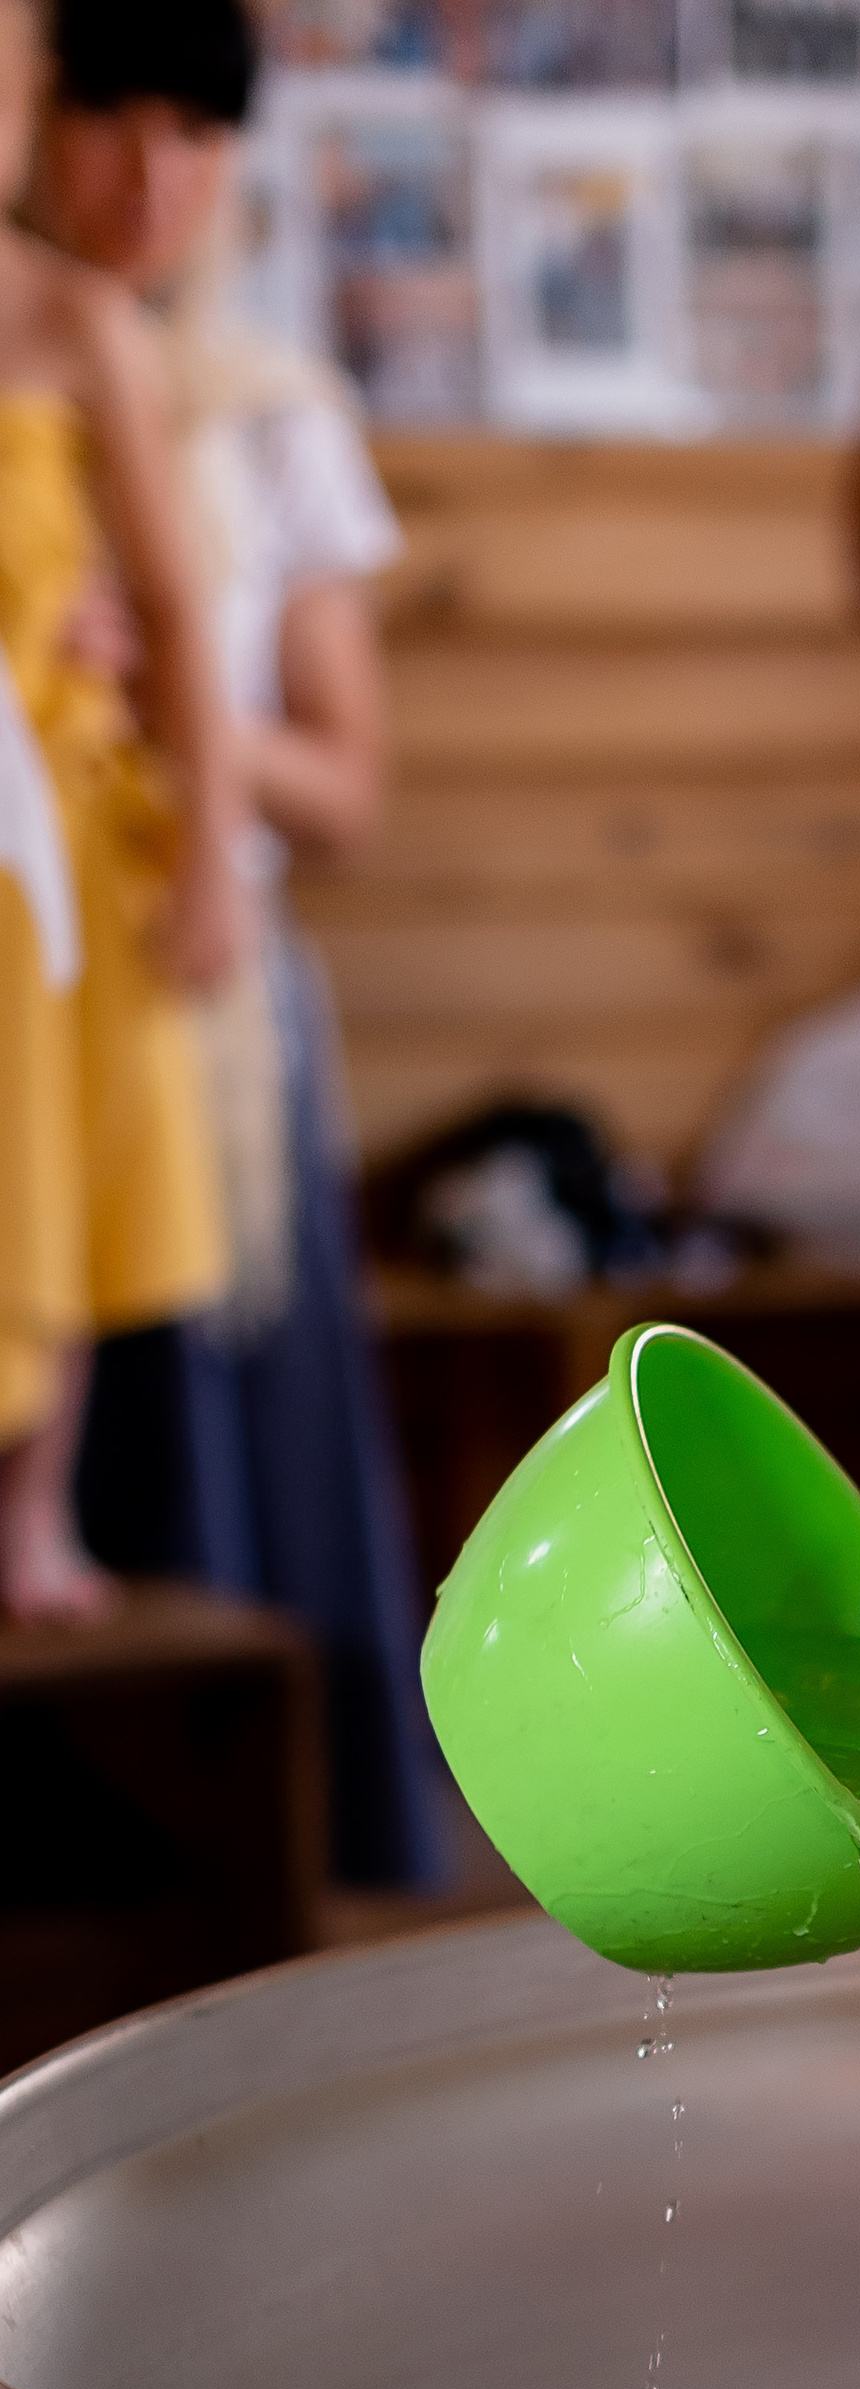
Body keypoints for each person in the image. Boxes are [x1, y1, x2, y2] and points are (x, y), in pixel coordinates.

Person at [41, 0, 446, 1890]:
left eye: (194, 134)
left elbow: (348, 787)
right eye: (109, 123)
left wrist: (179, 702)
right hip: (26, 990)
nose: (150, 178)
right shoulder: (29, 365)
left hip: (207, 983)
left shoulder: (270, 407)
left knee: (214, 1453)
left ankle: (247, 1885)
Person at [0, 0, 237, 1624]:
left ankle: (35, 1512)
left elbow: (175, 603)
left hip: (58, 839)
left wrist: (215, 844)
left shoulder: (79, 324)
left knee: (63, 1153)